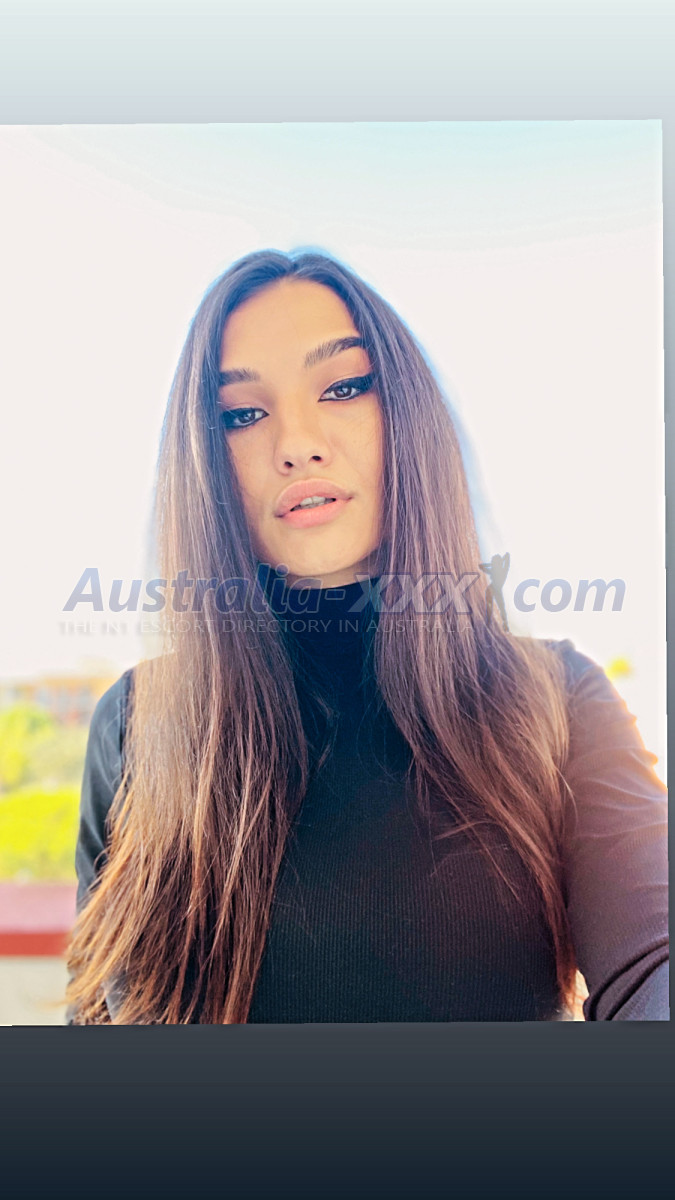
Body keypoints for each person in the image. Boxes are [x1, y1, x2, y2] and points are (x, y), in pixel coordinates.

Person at [64, 248, 668, 1024]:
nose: (296, 442)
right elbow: (92, 1016)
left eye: (343, 387)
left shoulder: (559, 699)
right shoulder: (134, 724)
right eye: (242, 414)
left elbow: (652, 956)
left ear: (406, 415)